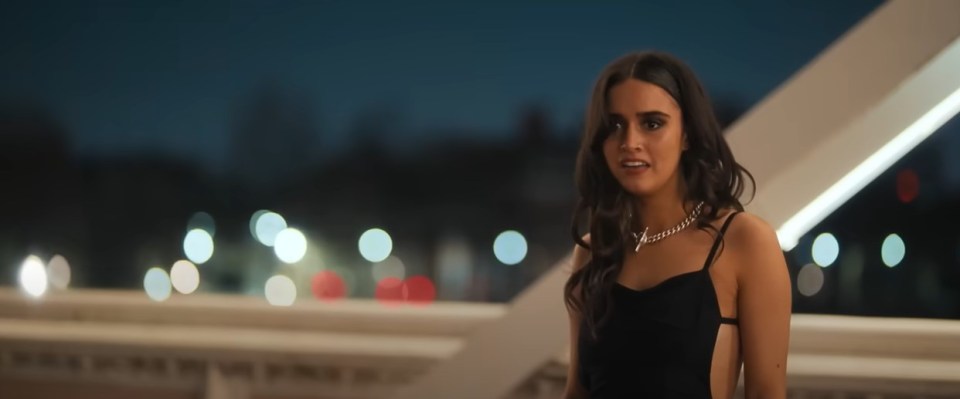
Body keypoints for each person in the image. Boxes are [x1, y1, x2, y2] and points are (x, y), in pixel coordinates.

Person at [562, 51, 792, 399]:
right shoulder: (595, 250)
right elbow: (577, 392)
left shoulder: (745, 242)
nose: (630, 143)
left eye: (652, 123)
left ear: (687, 134)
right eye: (615, 125)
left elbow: (767, 393)